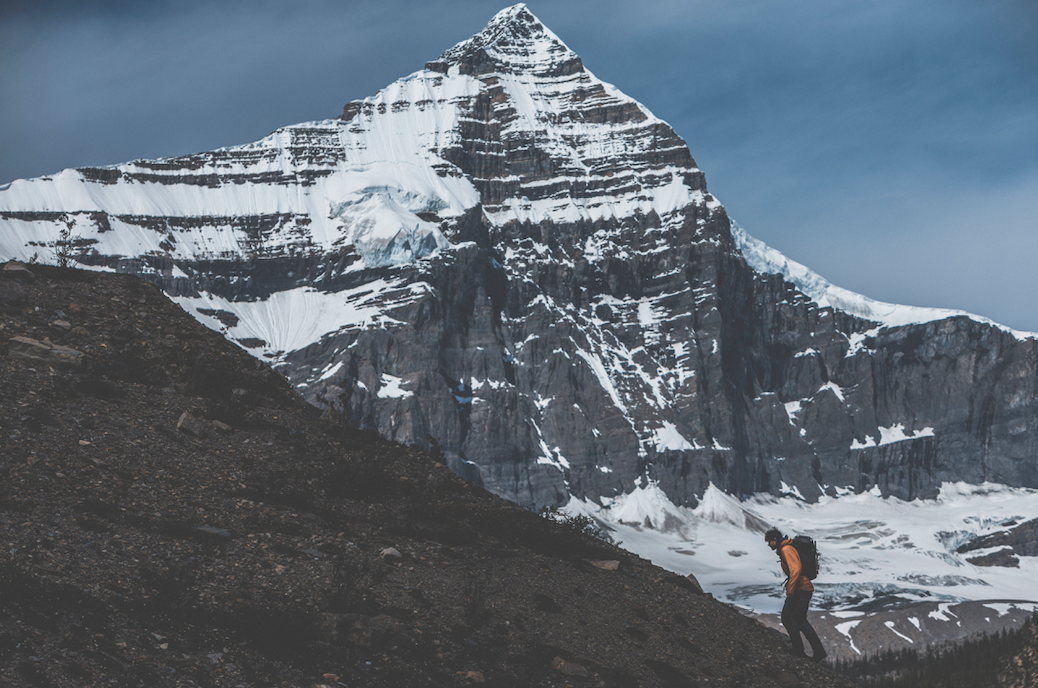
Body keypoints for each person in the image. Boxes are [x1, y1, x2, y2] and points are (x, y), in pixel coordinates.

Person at [764, 528, 826, 662]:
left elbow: (796, 570)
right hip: (804, 588)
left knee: (787, 617)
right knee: (800, 620)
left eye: (769, 541)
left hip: (800, 589)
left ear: (774, 540)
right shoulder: (787, 547)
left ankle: (799, 650)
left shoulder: (786, 549)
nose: (768, 545)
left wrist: (790, 591)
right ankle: (817, 651)